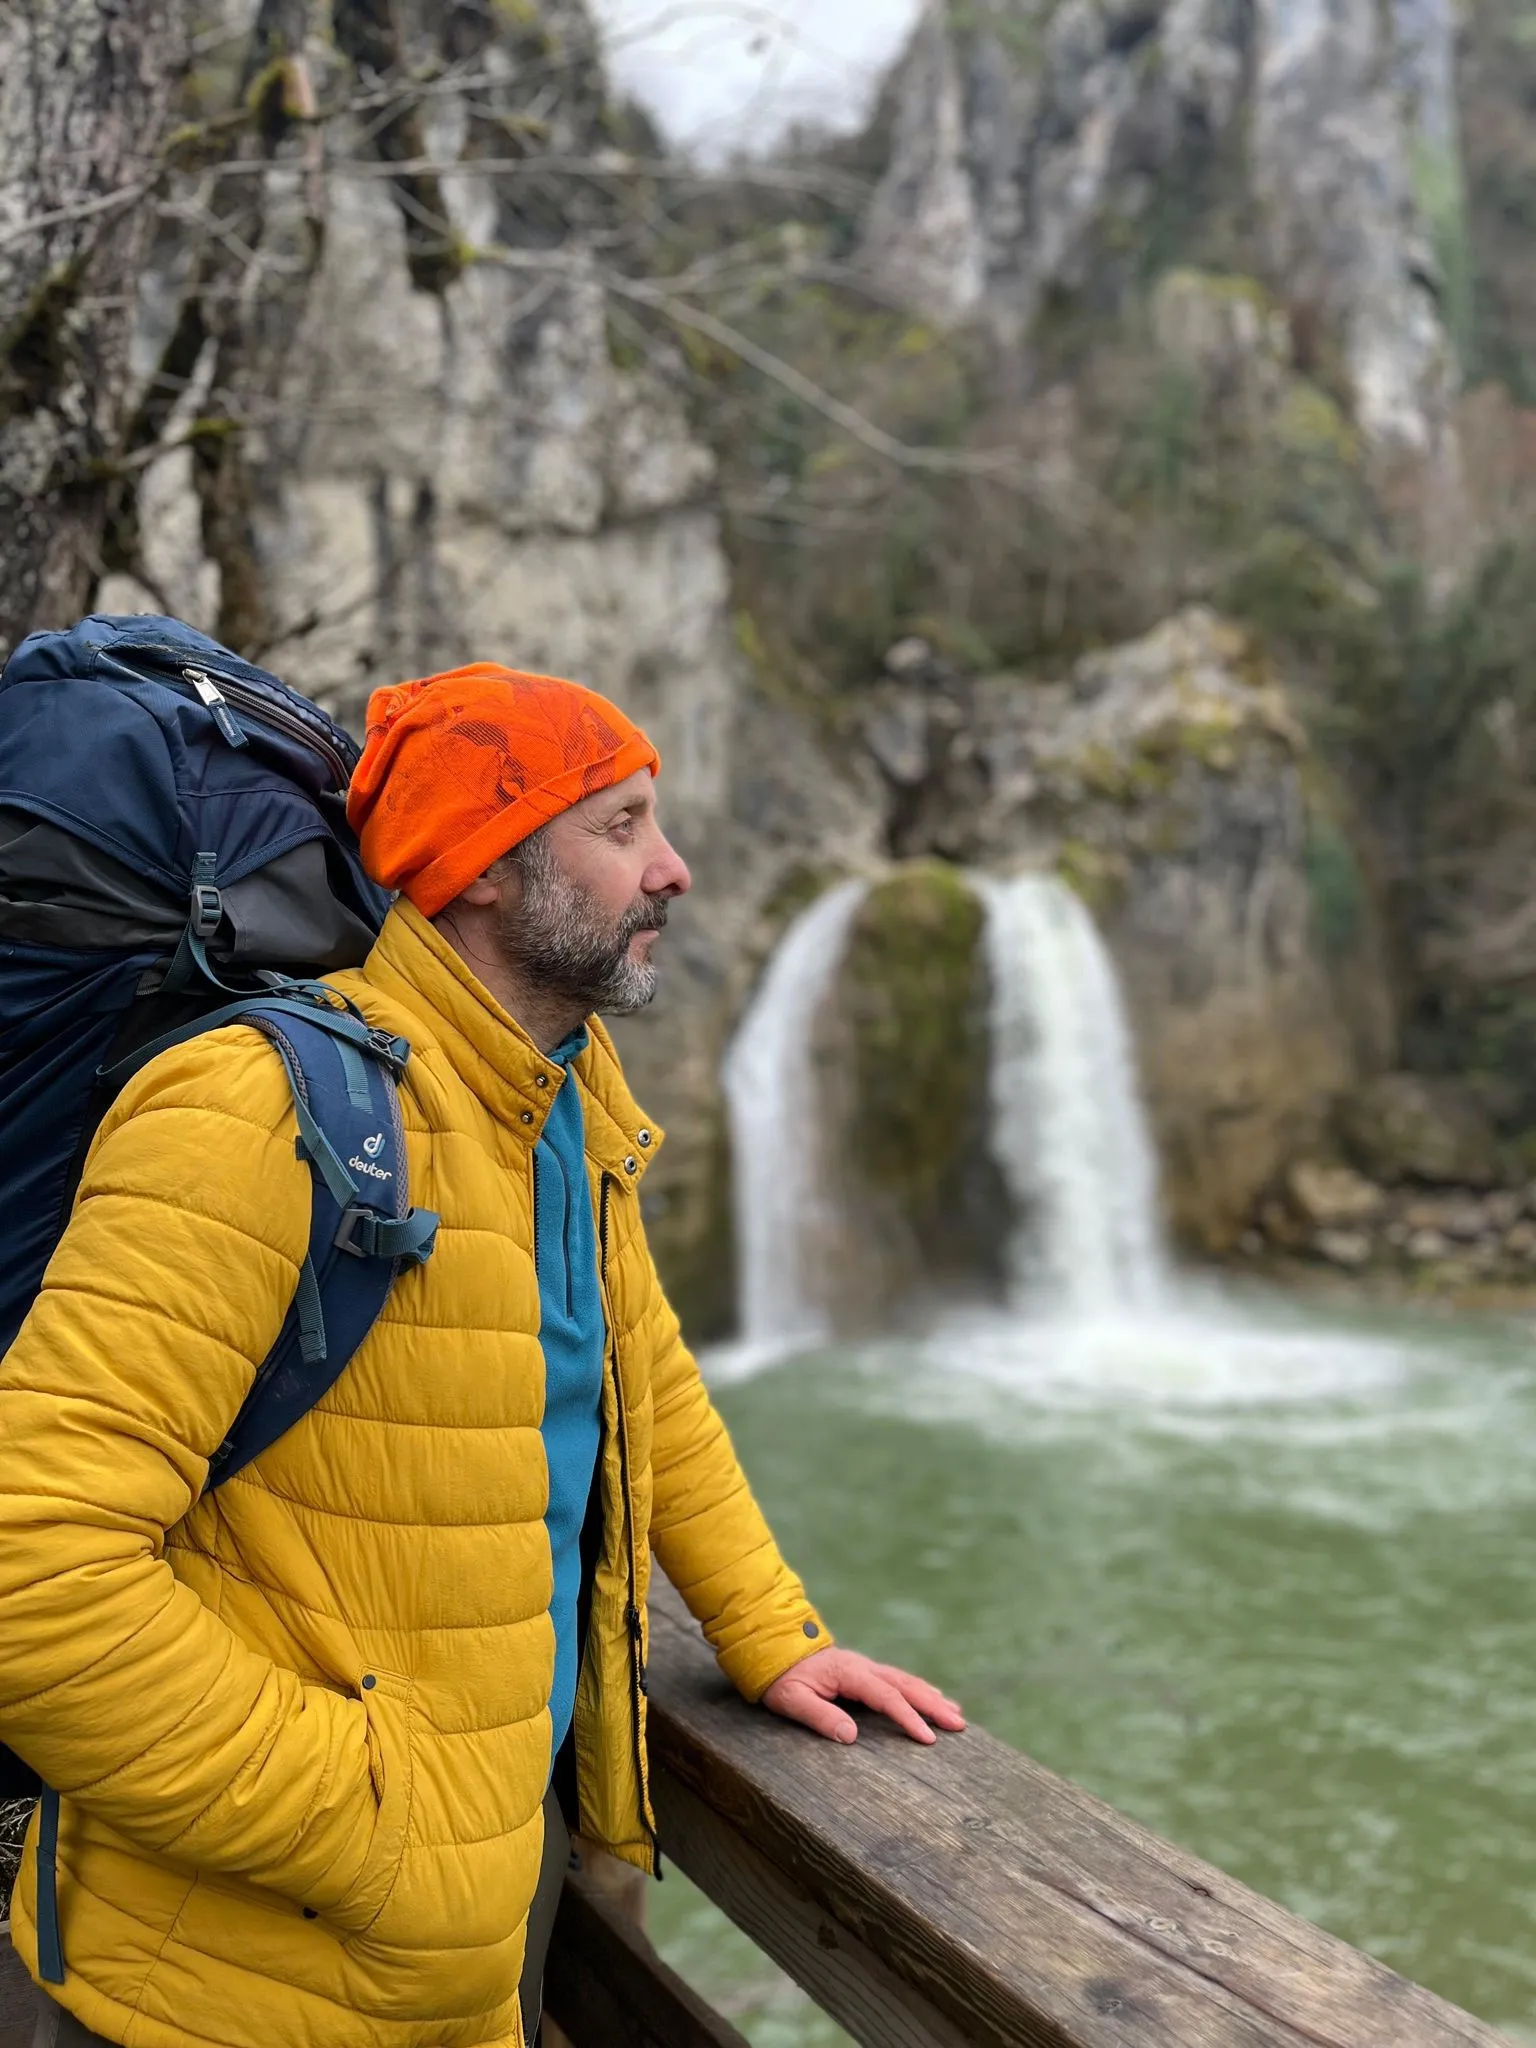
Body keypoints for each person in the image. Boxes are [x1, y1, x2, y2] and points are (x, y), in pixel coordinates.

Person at [0, 664, 964, 2048]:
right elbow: (28, 1572)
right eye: (621, 825)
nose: (675, 869)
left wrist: (770, 1634)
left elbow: (644, 1380)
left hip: (457, 1950)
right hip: (231, 1989)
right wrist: (388, 1825)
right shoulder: (262, 1109)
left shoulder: (561, 1091)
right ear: (482, 869)